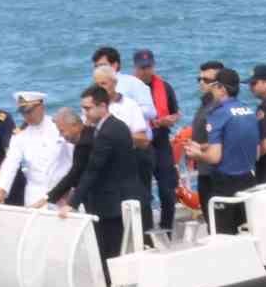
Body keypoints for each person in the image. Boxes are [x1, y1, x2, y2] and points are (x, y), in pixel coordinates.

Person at [59, 84, 146, 272]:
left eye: (88, 108)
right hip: (118, 198)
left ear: (102, 106)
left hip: (113, 203)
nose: (85, 113)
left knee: (111, 255)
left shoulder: (108, 132)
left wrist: (72, 203)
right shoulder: (113, 126)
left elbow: (92, 170)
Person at [185, 68, 260, 235]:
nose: (212, 90)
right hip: (249, 179)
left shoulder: (218, 114)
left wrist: (198, 154)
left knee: (224, 234)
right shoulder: (248, 111)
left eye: (214, 86)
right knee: (249, 230)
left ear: (222, 89)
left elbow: (214, 157)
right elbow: (256, 151)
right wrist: (204, 147)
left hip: (225, 183)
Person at [0, 92, 72, 206]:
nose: (26, 116)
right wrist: (0, 192)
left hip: (63, 193)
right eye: (22, 112)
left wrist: (72, 189)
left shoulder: (59, 126)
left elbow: (74, 158)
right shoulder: (20, 135)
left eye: (29, 111)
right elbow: (10, 164)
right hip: (35, 195)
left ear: (41, 107)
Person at [132, 49, 182, 232]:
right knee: (143, 192)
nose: (145, 71)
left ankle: (167, 227)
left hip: (161, 142)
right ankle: (144, 232)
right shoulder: (129, 89)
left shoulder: (165, 87)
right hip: (140, 145)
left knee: (167, 189)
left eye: (148, 67)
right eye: (142, 67)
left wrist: (170, 119)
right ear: (135, 68)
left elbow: (176, 112)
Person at [91, 64, 155, 197]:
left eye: (103, 83)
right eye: (97, 84)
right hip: (105, 165)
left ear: (114, 83)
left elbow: (143, 140)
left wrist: (118, 137)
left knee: (140, 204)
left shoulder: (130, 105)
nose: (100, 88)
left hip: (131, 162)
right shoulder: (91, 108)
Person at [189, 60, 224, 217]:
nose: (202, 83)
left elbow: (223, 141)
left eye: (207, 80)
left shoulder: (219, 108)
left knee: (218, 221)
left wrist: (197, 148)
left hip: (216, 174)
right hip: (204, 171)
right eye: (200, 79)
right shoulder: (204, 105)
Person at [40, 107, 93, 208]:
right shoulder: (89, 134)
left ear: (75, 126)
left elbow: (74, 174)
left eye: (62, 131)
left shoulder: (84, 144)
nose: (61, 135)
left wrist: (47, 199)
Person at [93, 46, 157, 128]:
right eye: (96, 66)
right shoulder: (94, 88)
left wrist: (124, 111)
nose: (99, 69)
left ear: (114, 65)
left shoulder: (133, 83)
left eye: (102, 65)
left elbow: (151, 112)